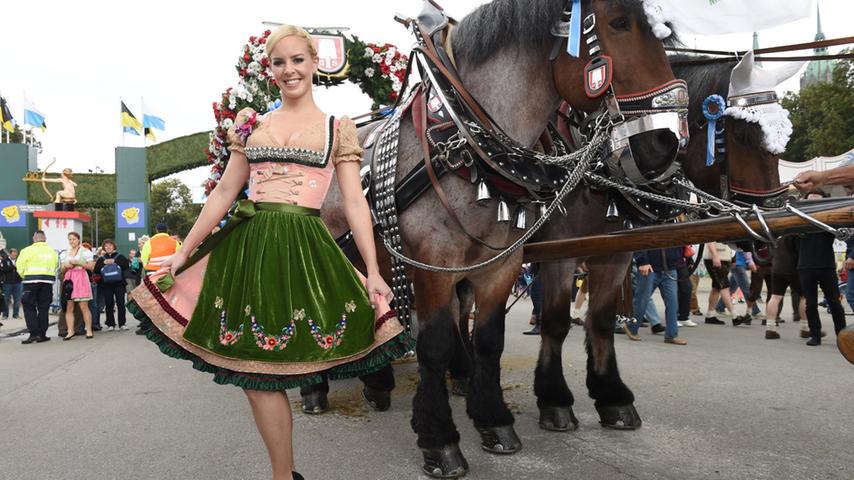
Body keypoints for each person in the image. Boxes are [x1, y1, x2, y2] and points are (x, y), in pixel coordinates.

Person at [126, 25, 411, 480]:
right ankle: (285, 475)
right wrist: (183, 253)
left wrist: (374, 270)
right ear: (270, 70)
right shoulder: (251, 124)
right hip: (248, 250)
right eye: (279, 62)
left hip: (304, 251)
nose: (289, 70)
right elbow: (223, 192)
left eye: (298, 60)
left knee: (275, 366)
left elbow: (356, 203)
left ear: (315, 63)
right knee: (254, 377)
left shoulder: (338, 128)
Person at [797, 190, 848, 346]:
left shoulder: (829, 220)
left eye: (817, 201)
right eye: (809, 201)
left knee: (835, 303)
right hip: (805, 266)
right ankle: (815, 335)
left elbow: (841, 232)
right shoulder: (798, 220)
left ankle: (843, 336)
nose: (813, 205)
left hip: (826, 266)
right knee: (810, 304)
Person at [627, 247, 686, 345]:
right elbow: (641, 240)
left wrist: (678, 258)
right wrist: (642, 261)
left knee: (673, 303)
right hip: (649, 267)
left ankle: (672, 335)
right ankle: (631, 327)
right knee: (642, 300)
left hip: (670, 268)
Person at [16, 231, 58, 344]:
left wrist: (24, 276)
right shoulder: (52, 251)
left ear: (34, 238)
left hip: (31, 281)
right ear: (45, 238)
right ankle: (42, 334)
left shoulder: (26, 250)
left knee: (29, 307)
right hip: (47, 282)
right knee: (43, 308)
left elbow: (19, 266)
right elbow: (56, 265)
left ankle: (33, 334)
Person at [764, 234, 806, 339]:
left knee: (775, 297)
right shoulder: (795, 233)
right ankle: (806, 328)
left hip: (777, 267)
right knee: (804, 296)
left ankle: (770, 328)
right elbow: (800, 252)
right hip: (792, 268)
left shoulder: (777, 233)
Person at [59, 232, 95, 340]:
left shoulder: (86, 252)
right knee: (69, 307)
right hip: (69, 279)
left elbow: (92, 267)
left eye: (74, 239)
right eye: (70, 239)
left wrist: (79, 262)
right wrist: (65, 266)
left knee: (84, 306)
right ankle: (70, 331)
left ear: (78, 240)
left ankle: (89, 330)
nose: (72, 241)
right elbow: (61, 270)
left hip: (81, 278)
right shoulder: (65, 253)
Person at [94, 239, 130, 331]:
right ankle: (110, 324)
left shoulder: (120, 256)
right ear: (104, 248)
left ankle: (122, 323)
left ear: (114, 246)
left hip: (119, 284)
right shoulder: (101, 258)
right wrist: (103, 263)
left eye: (110, 245)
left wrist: (115, 262)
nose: (108, 247)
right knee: (109, 304)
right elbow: (96, 270)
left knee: (120, 303)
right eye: (106, 246)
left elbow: (126, 265)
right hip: (106, 284)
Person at [1, 248, 23, 320]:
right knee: (5, 299)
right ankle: (5, 315)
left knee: (17, 300)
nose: (14, 256)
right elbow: (4, 270)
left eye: (15, 255)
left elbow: (22, 270)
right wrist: (13, 266)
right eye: (13, 255)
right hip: (7, 283)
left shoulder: (19, 261)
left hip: (18, 283)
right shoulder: (5, 261)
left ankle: (16, 315)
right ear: (10, 254)